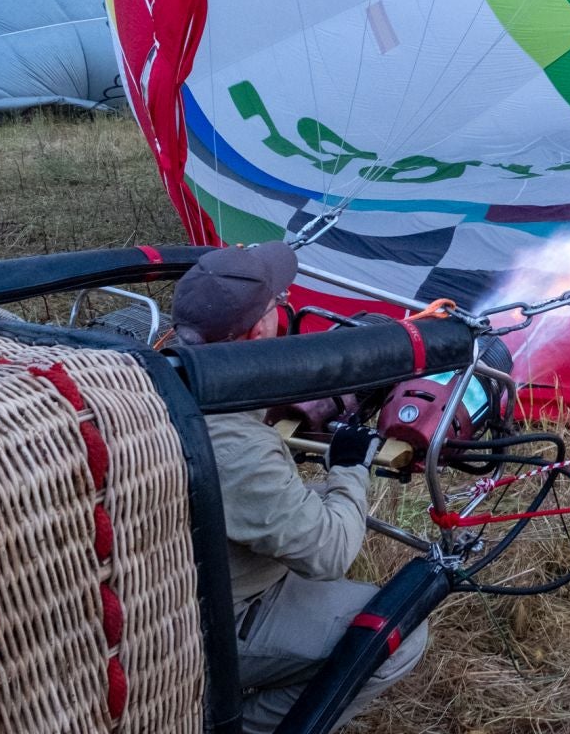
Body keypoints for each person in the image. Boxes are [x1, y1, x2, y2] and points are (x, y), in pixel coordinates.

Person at [172, 242, 428, 734]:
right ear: (257, 332)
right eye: (276, 303)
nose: (285, 307)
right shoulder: (233, 445)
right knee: (401, 634)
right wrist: (350, 467)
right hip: (206, 623)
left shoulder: (159, 372)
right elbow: (330, 552)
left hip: (180, 584)